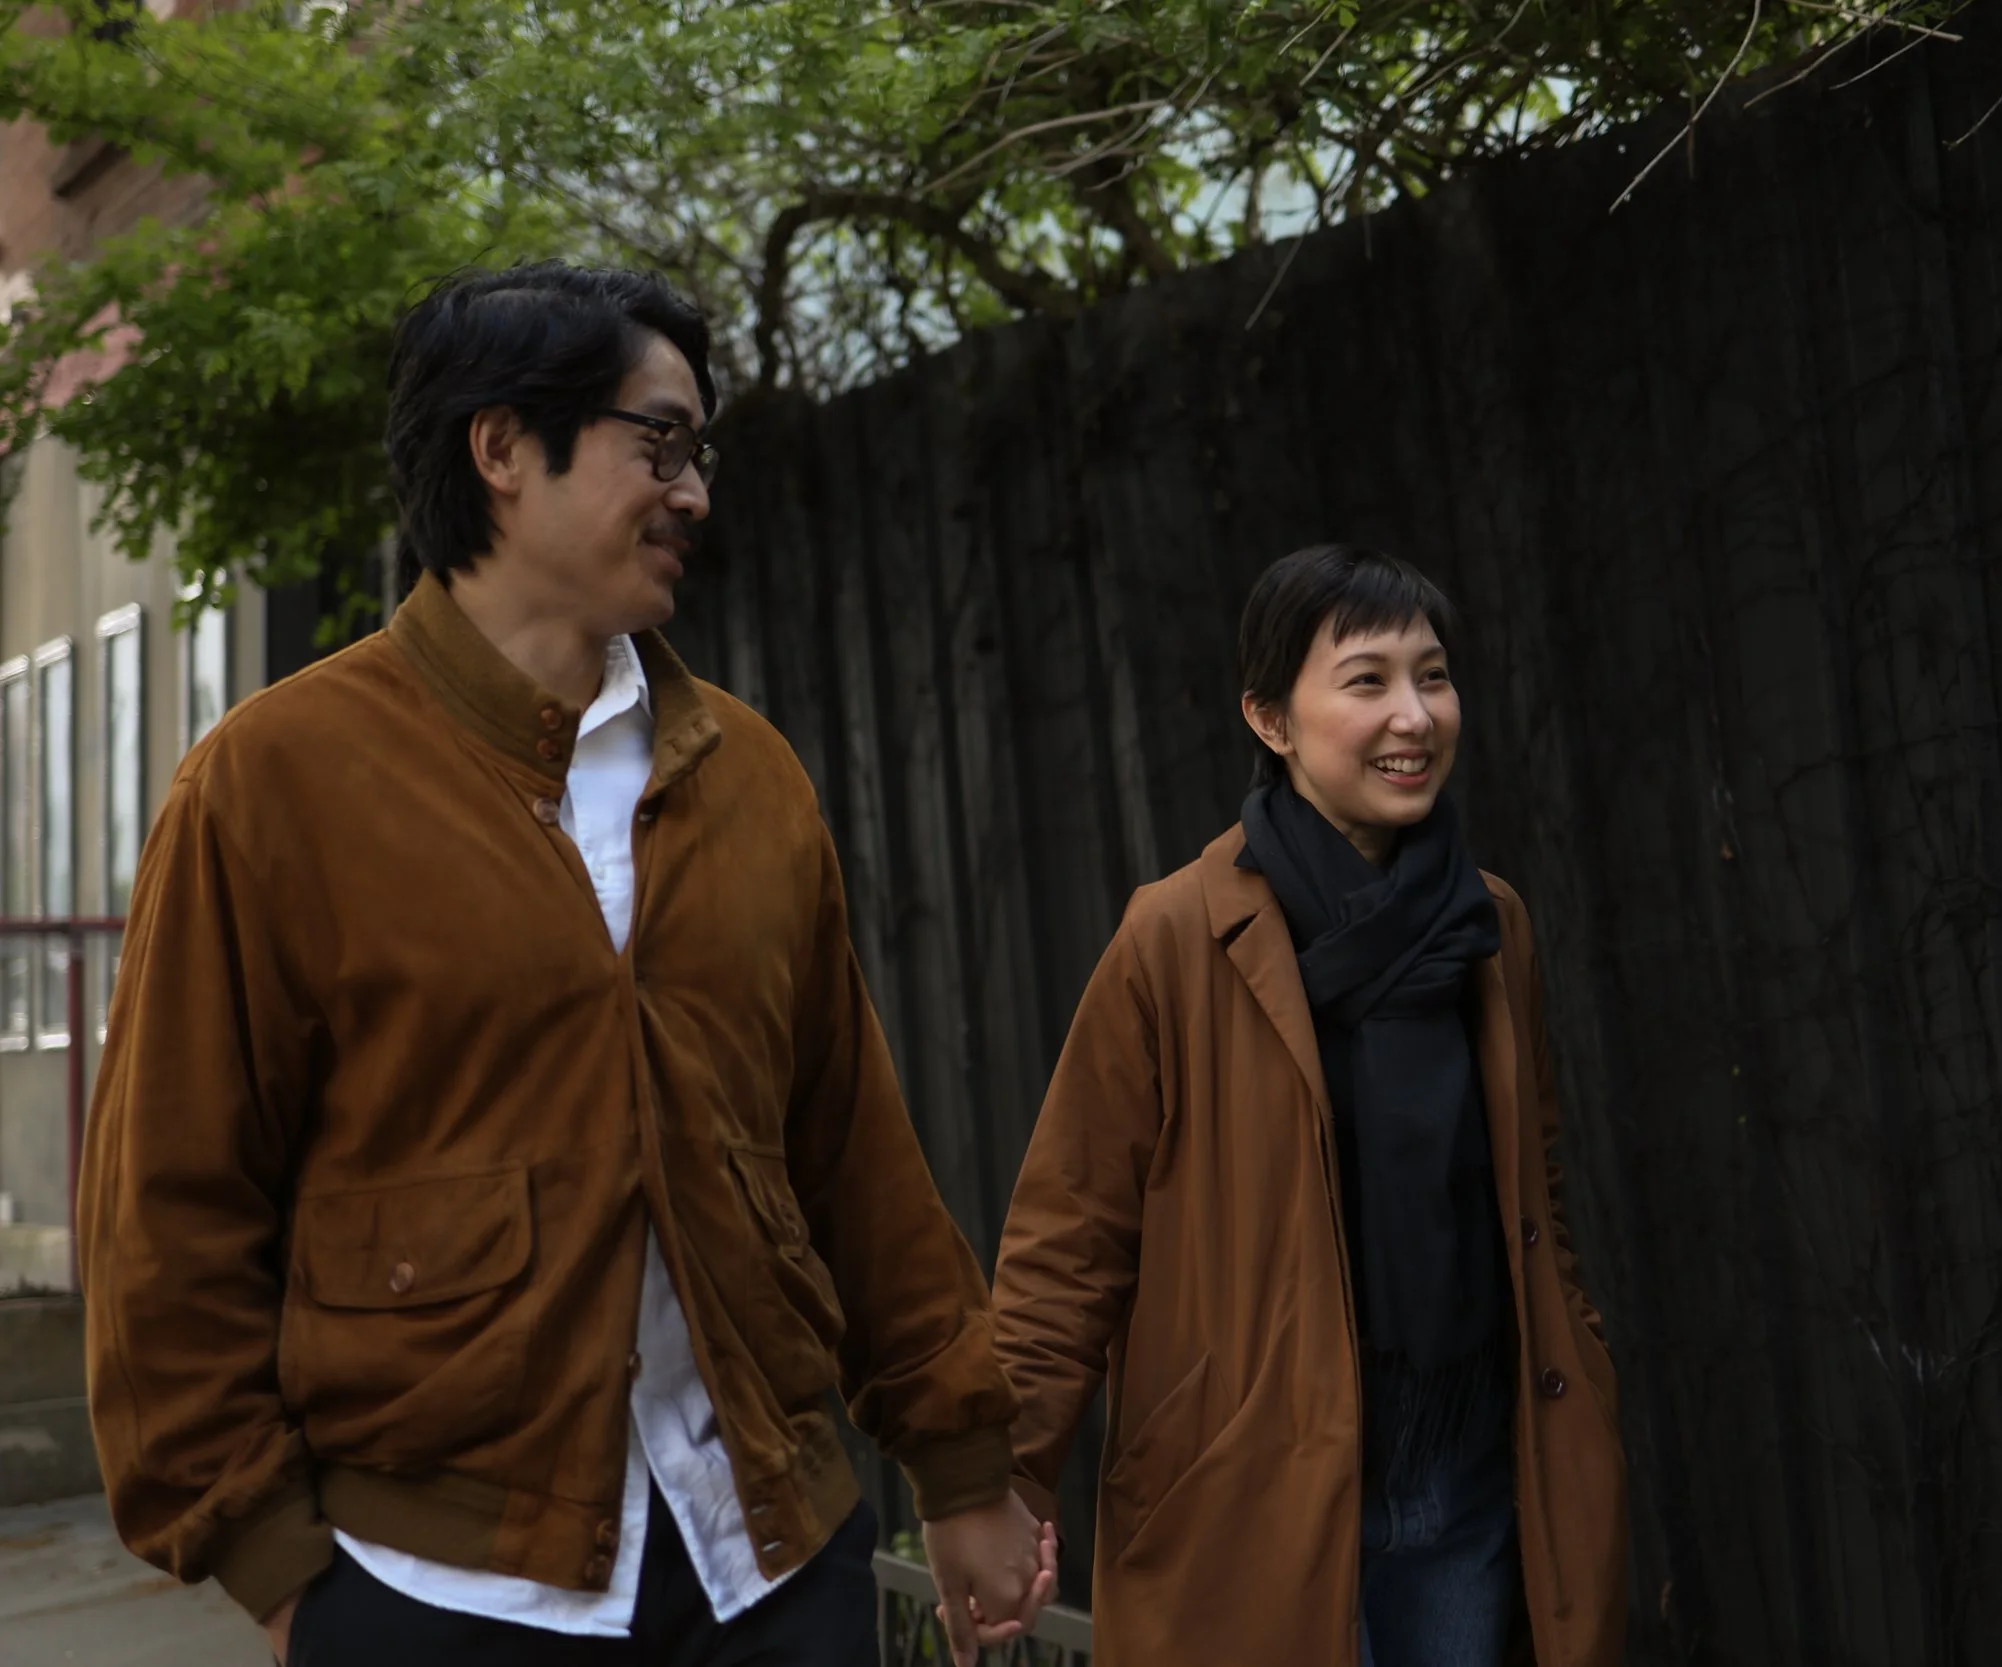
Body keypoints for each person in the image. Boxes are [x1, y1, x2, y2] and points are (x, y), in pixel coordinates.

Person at [77, 261, 1053, 1667]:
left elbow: (853, 1154)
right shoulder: (270, 783)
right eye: (659, 442)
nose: (694, 492)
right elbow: (167, 1217)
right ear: (501, 448)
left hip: (774, 1568)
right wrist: (284, 1574)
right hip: (440, 1591)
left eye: (700, 453)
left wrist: (960, 1465)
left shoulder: (749, 775)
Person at [988, 544, 1628, 1666]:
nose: (1414, 715)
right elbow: (1068, 1241)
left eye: (1433, 675)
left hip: (1467, 1478)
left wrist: (1581, 1365)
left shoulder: (1493, 925)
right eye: (1367, 679)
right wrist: (1003, 1479)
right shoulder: (1174, 936)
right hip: (1250, 1489)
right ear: (1270, 718)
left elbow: (1538, 1195)